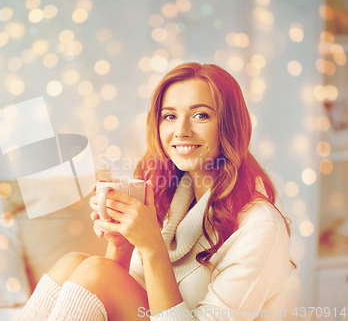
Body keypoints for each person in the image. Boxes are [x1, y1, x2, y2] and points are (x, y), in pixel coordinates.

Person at [18, 62, 294, 321]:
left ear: (230, 125)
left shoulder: (260, 227)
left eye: (200, 115)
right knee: (74, 263)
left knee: (95, 270)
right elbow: (115, 295)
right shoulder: (170, 200)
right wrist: (122, 245)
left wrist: (152, 247)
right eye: (170, 116)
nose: (181, 130)